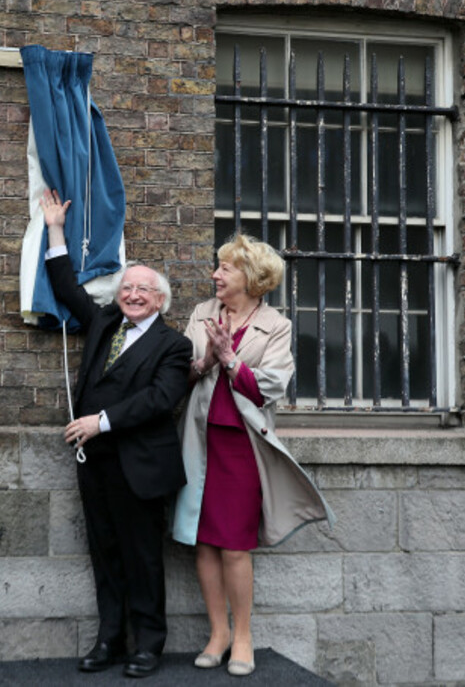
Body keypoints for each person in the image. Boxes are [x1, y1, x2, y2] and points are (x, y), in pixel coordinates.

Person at [40, 188, 192, 678]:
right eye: (127, 288)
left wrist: (98, 422)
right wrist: (55, 229)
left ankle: (148, 645)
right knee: (104, 554)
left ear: (161, 299)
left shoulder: (175, 345)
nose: (132, 294)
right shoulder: (106, 323)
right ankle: (110, 639)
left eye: (143, 289)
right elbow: (67, 289)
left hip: (142, 466)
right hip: (97, 465)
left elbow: (158, 400)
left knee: (143, 558)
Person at [171, 233, 334, 677]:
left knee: (234, 545)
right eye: (217, 267)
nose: (216, 275)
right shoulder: (202, 314)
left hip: (241, 445)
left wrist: (230, 359)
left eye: (226, 268)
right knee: (201, 539)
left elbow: (271, 386)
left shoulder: (275, 325)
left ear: (252, 277)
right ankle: (217, 633)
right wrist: (205, 362)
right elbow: (178, 375)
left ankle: (242, 636)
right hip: (199, 439)